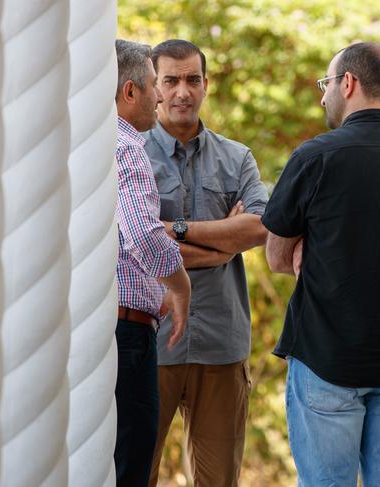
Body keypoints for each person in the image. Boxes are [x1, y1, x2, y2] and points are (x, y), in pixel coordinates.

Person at [262, 42, 380, 487]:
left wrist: (319, 250)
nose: (322, 95)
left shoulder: (315, 156)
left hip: (330, 357)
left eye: (325, 84)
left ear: (347, 83)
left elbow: (275, 256)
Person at [143, 39, 268, 487]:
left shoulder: (237, 158)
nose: (183, 91)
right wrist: (224, 246)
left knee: (219, 481)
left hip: (221, 341)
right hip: (148, 342)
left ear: (206, 85)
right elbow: (131, 243)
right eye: (171, 80)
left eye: (192, 80)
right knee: (133, 474)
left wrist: (170, 231)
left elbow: (258, 228)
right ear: (153, 87)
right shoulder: (129, 157)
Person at [113, 39, 191, 487]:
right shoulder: (127, 146)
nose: (161, 96)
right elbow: (144, 234)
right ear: (129, 92)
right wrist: (179, 286)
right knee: (131, 466)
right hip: (127, 332)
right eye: (152, 86)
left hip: (111, 328)